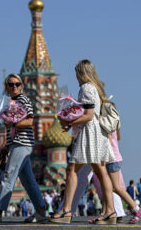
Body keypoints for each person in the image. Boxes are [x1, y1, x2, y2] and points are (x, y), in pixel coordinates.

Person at [50, 60, 116, 224]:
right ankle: (110, 212)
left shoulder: (86, 88)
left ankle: (66, 211)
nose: (77, 78)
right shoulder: (96, 88)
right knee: (101, 172)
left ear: (81, 73)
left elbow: (88, 114)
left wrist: (68, 121)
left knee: (72, 169)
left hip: (89, 132)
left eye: (77, 74)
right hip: (97, 132)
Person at [0, 73, 47, 223]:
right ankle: (41, 212)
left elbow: (30, 121)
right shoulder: (12, 102)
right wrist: (7, 146)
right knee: (28, 181)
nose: (14, 87)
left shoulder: (23, 99)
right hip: (18, 144)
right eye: (11, 84)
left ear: (21, 86)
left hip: (23, 144)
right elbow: (12, 129)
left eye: (17, 84)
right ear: (6, 87)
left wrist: (14, 124)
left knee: (8, 176)